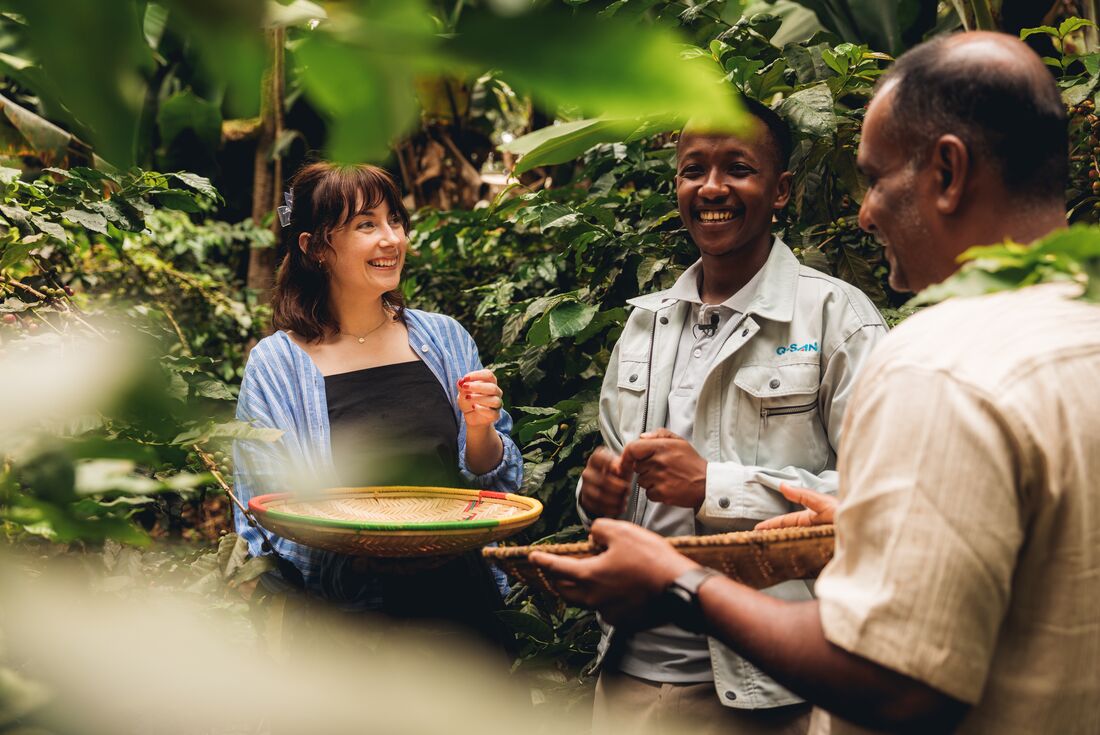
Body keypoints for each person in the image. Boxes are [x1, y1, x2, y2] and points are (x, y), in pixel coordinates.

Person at [533, 31, 1100, 735]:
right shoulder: (1083, 330)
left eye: (874, 177)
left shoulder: (930, 362)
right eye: (691, 168)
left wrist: (682, 574)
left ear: (948, 173)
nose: (864, 211)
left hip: (761, 690)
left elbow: (899, 683)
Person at [574, 98, 887, 734]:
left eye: (738, 168)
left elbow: (877, 501)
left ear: (781, 190)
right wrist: (597, 498)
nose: (712, 188)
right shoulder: (645, 325)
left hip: (766, 686)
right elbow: (615, 512)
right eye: (694, 170)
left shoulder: (837, 320)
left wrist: (712, 486)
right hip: (628, 674)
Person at [232, 162, 523, 641]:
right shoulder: (277, 365)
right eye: (366, 225)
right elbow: (262, 512)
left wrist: (480, 428)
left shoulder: (445, 339)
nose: (392, 238)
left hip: (463, 610)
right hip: (346, 628)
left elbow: (496, 480)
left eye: (395, 220)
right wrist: (360, 558)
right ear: (315, 247)